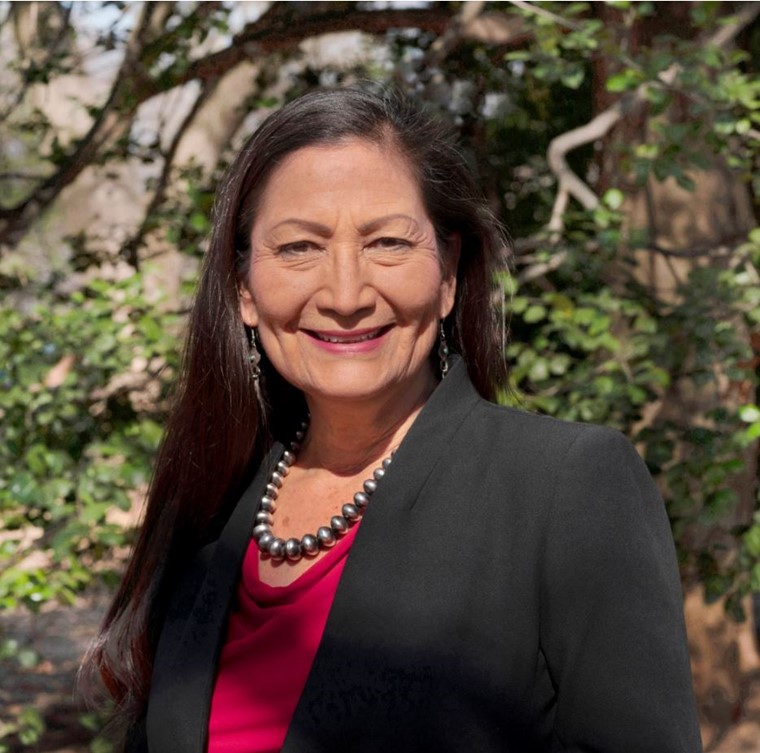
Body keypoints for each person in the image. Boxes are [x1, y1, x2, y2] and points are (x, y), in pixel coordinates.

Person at [87, 86, 702, 753]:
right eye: (299, 248)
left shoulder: (566, 486)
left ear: (448, 274)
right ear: (244, 290)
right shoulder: (212, 502)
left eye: (387, 242)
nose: (346, 294)